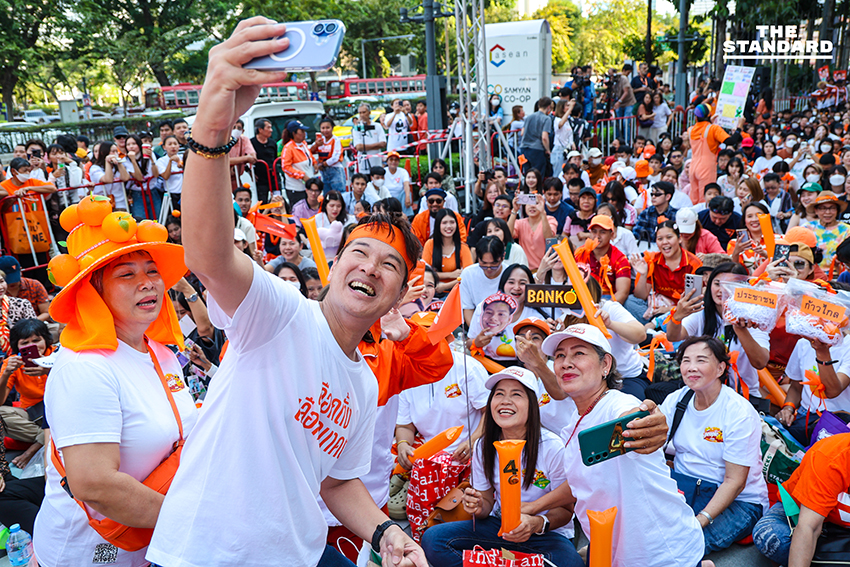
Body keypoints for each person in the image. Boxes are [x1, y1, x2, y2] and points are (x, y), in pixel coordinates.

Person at [147, 20, 427, 567]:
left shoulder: (363, 383)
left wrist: (387, 533)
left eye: (389, 265)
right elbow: (207, 255)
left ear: (397, 295)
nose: (370, 268)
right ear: (336, 265)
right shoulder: (279, 312)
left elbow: (336, 482)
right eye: (360, 252)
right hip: (204, 556)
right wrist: (212, 125)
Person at [33, 200, 197, 565]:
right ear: (94, 290)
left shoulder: (159, 351)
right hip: (90, 554)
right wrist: (196, 522)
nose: (147, 283)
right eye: (126, 275)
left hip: (149, 548)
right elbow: (95, 485)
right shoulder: (85, 368)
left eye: (152, 271)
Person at [539, 324, 708, 567]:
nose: (566, 363)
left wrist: (650, 423)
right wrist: (533, 506)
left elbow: (637, 418)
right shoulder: (575, 421)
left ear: (605, 365)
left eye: (579, 353)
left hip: (660, 554)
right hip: (614, 551)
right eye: (559, 356)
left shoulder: (617, 406)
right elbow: (580, 483)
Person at [421, 366, 584, 567]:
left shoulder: (552, 447)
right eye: (499, 394)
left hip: (544, 534)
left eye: (516, 394)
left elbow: (566, 510)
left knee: (570, 563)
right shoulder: (483, 446)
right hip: (500, 528)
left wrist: (535, 523)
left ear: (532, 405)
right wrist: (477, 506)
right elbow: (486, 504)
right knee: (434, 540)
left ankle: (495, 562)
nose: (505, 401)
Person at [662, 337, 768, 555]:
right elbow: (654, 444)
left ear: (720, 368)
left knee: (681, 548)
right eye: (686, 360)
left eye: (701, 360)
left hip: (738, 501)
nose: (691, 367)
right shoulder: (677, 400)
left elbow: (735, 482)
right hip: (686, 487)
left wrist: (699, 520)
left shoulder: (738, 412)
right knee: (643, 535)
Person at [666, 262, 770, 398]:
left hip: (743, 396)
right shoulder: (701, 313)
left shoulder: (753, 318)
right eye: (717, 284)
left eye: (729, 285)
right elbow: (673, 336)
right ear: (709, 286)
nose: (722, 290)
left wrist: (740, 330)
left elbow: (760, 362)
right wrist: (677, 317)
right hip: (704, 393)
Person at [752, 433, 850, 567]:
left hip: (842, 531)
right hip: (800, 516)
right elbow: (809, 527)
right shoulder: (831, 456)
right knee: (770, 537)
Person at [0, 318, 52, 467]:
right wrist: (6, 373)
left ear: (46, 340)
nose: (32, 346)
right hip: (32, 414)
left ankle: (34, 448)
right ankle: (45, 437)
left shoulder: (57, 355)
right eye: (25, 343)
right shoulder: (13, 362)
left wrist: (49, 370)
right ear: (17, 346)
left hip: (58, 411)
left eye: (36, 340)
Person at [631, 220, 702, 326]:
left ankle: (655, 326)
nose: (664, 242)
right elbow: (640, 296)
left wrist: (669, 309)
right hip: (657, 307)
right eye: (660, 239)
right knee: (630, 302)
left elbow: (694, 303)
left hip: (683, 311)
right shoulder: (652, 260)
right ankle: (654, 326)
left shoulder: (694, 264)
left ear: (680, 238)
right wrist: (643, 274)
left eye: (669, 237)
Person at [687, 104, 744, 204]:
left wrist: (710, 123)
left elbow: (702, 131)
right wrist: (739, 127)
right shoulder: (713, 129)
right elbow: (731, 141)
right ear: (709, 114)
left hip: (693, 167)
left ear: (696, 117)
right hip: (706, 168)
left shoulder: (690, 129)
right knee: (706, 199)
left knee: (694, 199)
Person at [579, 215, 631, 304]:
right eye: (594, 231)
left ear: (612, 235)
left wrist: (604, 308)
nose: (597, 236)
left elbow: (622, 293)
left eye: (602, 232)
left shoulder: (620, 258)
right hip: (583, 297)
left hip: (609, 301)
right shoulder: (580, 253)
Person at [422, 209, 472, 294]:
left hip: (456, 292)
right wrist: (451, 274)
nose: (449, 226)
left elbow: (468, 276)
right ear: (438, 225)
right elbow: (425, 272)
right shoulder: (430, 244)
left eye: (452, 222)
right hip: (432, 292)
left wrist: (445, 286)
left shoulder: (463, 247)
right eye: (444, 223)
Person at [460, 237, 506, 325]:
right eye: (484, 263)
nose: (488, 268)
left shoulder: (511, 274)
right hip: (478, 324)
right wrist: (476, 330)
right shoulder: (468, 274)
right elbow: (468, 309)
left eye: (494, 264)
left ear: (503, 256)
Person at [509, 193, 557, 271]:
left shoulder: (550, 219)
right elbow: (508, 235)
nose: (532, 206)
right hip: (525, 269)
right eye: (528, 203)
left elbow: (549, 238)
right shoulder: (520, 222)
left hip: (545, 269)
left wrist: (543, 213)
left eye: (536, 203)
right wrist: (514, 210)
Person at [804, 191, 850, 272]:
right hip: (811, 274)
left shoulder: (847, 230)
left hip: (837, 275)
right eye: (823, 208)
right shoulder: (807, 228)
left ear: (837, 210)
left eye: (832, 208)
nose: (828, 212)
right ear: (816, 210)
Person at [0, 257, 49, 322]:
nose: (12, 283)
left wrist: (28, 324)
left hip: (38, 323)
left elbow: (46, 312)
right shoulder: (2, 290)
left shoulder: (34, 285)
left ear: (20, 271)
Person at [89, 142, 131, 211]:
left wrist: (118, 162)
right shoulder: (95, 168)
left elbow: (126, 178)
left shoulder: (118, 166)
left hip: (120, 203)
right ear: (104, 152)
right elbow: (108, 179)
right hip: (102, 204)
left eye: (116, 151)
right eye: (113, 151)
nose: (115, 154)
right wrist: (107, 161)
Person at [633, 181, 679, 245]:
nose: (653, 197)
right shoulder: (646, 213)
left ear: (668, 197)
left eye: (657, 194)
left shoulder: (676, 215)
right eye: (652, 194)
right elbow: (636, 232)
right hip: (647, 247)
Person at [282, 120, 315, 206]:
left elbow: (309, 156)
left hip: (307, 187)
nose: (305, 133)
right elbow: (285, 167)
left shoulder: (304, 144)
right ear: (294, 133)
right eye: (302, 131)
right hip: (296, 189)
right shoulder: (288, 148)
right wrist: (302, 175)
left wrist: (314, 164)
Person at [315, 190, 356, 258]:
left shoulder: (350, 219)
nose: (335, 209)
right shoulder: (316, 219)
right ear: (325, 205)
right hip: (321, 256)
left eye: (338, 206)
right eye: (331, 206)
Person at [520, 97, 554, 175]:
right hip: (537, 149)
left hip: (524, 148)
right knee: (538, 175)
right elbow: (544, 137)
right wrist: (548, 150)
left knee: (528, 174)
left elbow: (522, 133)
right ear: (548, 107)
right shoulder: (546, 119)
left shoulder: (529, 117)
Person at [312, 117, 345, 194]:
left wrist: (322, 164)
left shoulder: (336, 140)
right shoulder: (320, 140)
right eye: (323, 128)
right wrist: (316, 145)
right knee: (327, 195)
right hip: (324, 171)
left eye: (327, 127)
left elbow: (335, 158)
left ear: (332, 128)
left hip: (335, 170)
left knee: (338, 194)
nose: (325, 130)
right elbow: (309, 151)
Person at [353, 104, 387, 172]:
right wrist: (376, 145)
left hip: (376, 163)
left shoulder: (377, 126)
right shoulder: (356, 128)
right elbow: (358, 147)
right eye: (360, 113)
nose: (362, 115)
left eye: (364, 112)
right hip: (363, 165)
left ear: (369, 112)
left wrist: (364, 147)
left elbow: (383, 144)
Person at [250, 118, 277, 204]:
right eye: (268, 128)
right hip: (260, 179)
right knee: (262, 202)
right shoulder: (251, 143)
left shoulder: (272, 143)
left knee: (277, 200)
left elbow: (275, 158)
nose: (271, 130)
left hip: (274, 177)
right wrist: (250, 172)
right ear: (260, 130)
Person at [384, 151, 413, 217]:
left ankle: (406, 217)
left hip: (400, 197)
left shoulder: (403, 171)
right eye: (391, 159)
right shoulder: (384, 171)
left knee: (406, 193)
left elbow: (406, 185)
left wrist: (407, 197)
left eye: (396, 160)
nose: (393, 161)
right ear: (387, 161)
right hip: (387, 196)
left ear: (398, 162)